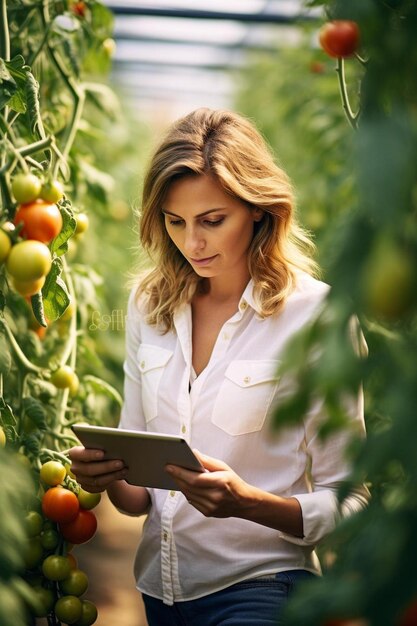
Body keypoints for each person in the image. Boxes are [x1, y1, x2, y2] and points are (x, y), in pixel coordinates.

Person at [69, 108, 369, 626]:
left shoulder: (317, 316)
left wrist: (250, 503)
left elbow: (352, 499)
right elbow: (140, 499)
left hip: (266, 586)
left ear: (258, 209)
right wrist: (106, 476)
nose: (192, 244)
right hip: (160, 594)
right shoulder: (148, 305)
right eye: (175, 222)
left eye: (212, 221)